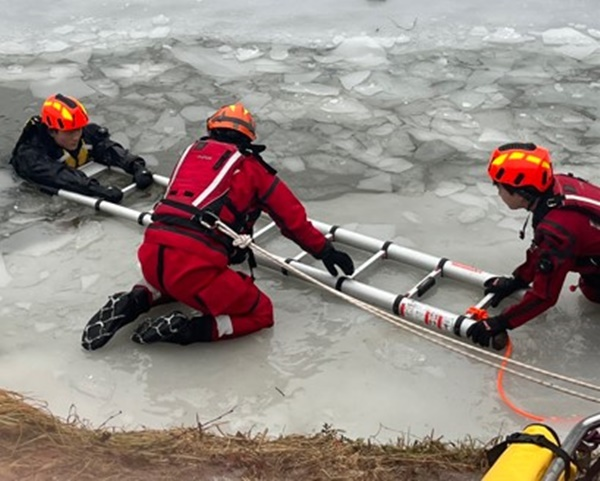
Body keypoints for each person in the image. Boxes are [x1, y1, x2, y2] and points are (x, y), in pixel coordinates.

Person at [81, 102, 355, 350]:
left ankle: (134, 300)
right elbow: (292, 220)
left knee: (169, 280)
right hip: (196, 268)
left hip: (151, 255)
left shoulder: (191, 156)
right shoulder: (253, 170)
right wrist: (325, 251)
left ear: (211, 130)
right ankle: (185, 329)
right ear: (248, 137)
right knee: (261, 312)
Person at [467, 142, 600, 347]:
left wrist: (500, 322)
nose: (498, 194)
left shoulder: (557, 230)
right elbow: (543, 251)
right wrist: (518, 280)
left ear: (520, 193)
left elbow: (544, 295)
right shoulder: (557, 187)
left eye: (499, 187)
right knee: (592, 291)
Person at [10, 93, 154, 203]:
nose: (76, 137)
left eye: (78, 130)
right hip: (39, 193)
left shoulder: (86, 134)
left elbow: (107, 148)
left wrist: (136, 165)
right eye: (69, 132)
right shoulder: (31, 155)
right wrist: (95, 189)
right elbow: (57, 175)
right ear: (52, 131)